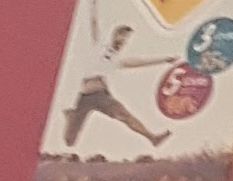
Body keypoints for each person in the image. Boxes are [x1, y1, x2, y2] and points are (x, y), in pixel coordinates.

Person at [55, 25, 169, 153]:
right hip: (85, 98)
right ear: (115, 35)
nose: (124, 41)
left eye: (126, 39)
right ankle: (71, 117)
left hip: (102, 96)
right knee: (69, 141)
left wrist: (163, 60)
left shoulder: (116, 58)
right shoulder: (99, 47)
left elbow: (134, 62)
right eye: (122, 37)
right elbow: (94, 25)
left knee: (125, 115)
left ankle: (152, 138)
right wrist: (93, 11)